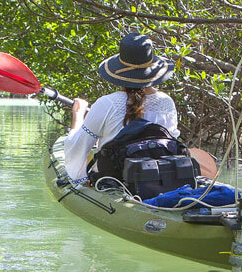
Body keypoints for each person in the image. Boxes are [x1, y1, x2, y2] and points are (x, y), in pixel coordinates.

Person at [65, 32, 179, 185]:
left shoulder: (106, 103)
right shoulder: (167, 102)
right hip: (158, 181)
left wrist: (78, 114)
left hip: (114, 183)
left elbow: (76, 149)